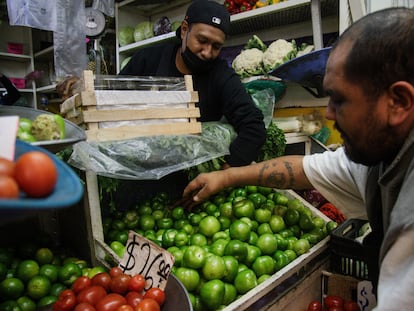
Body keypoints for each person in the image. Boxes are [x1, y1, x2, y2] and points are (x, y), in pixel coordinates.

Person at [182, 7, 414, 311]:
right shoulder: (382, 155)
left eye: (340, 100)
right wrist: (226, 177)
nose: (328, 114)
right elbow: (301, 170)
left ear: (398, 102)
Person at [120, 0, 266, 168]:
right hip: (137, 165)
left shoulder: (221, 76)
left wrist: (226, 173)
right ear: (184, 30)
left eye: (216, 46)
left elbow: (254, 127)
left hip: (193, 173)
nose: (207, 52)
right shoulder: (147, 60)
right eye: (202, 40)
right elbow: (110, 109)